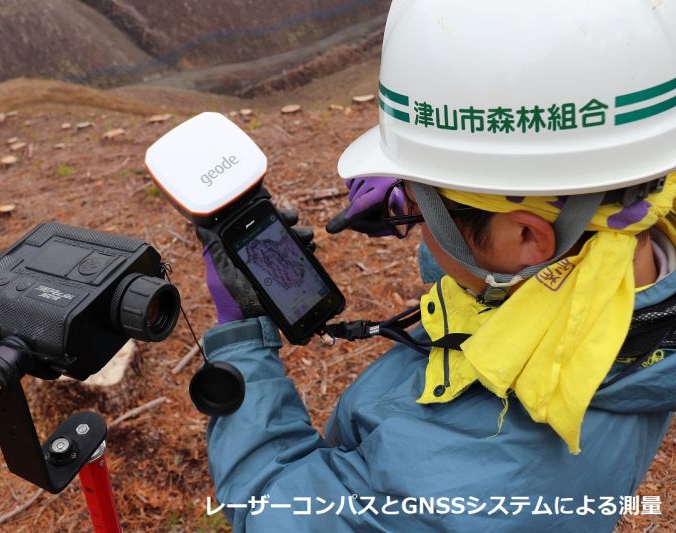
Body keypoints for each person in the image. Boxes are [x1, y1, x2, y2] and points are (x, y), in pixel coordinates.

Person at [196, 1, 676, 530]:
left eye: (423, 209)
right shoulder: (632, 260)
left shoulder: (471, 485)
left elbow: (274, 513)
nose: (416, 224)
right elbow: (496, 261)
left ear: (526, 237)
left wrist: (242, 341)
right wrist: (433, 206)